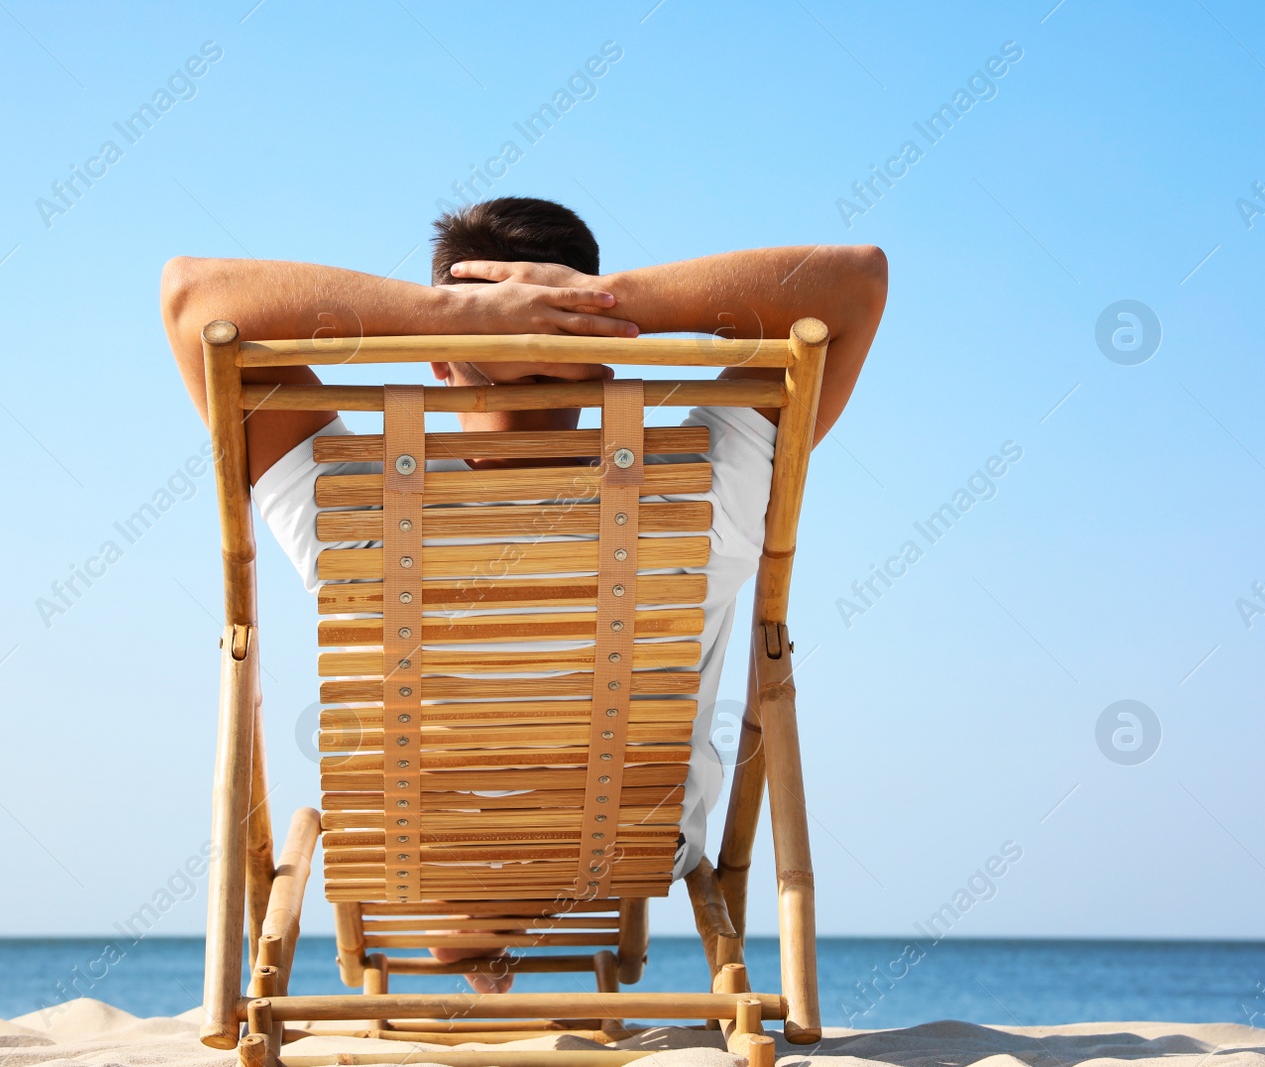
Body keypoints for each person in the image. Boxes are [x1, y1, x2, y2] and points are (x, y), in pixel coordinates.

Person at [161, 196, 887, 992]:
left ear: (438, 358)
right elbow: (854, 284)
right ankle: (501, 901)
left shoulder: (356, 504)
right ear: (605, 359)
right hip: (632, 839)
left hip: (414, 844)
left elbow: (192, 298)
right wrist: (610, 305)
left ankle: (477, 906)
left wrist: (438, 313)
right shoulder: (699, 486)